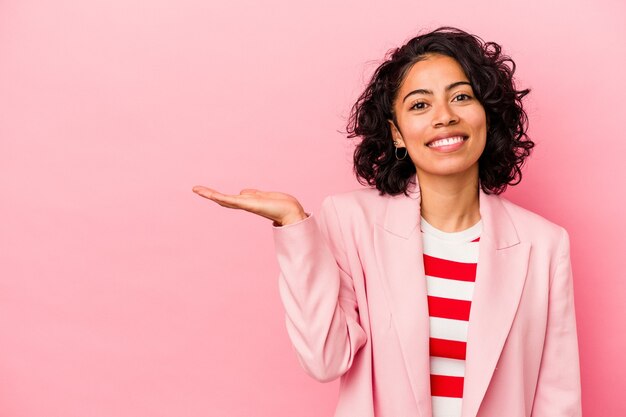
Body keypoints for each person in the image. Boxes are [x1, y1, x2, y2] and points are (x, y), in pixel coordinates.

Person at [192, 26, 582, 417]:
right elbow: (325, 360)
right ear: (397, 132)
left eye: (461, 97)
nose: (444, 117)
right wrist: (294, 227)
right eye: (419, 105)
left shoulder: (544, 245)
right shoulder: (351, 222)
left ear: (486, 115)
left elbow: (557, 397)